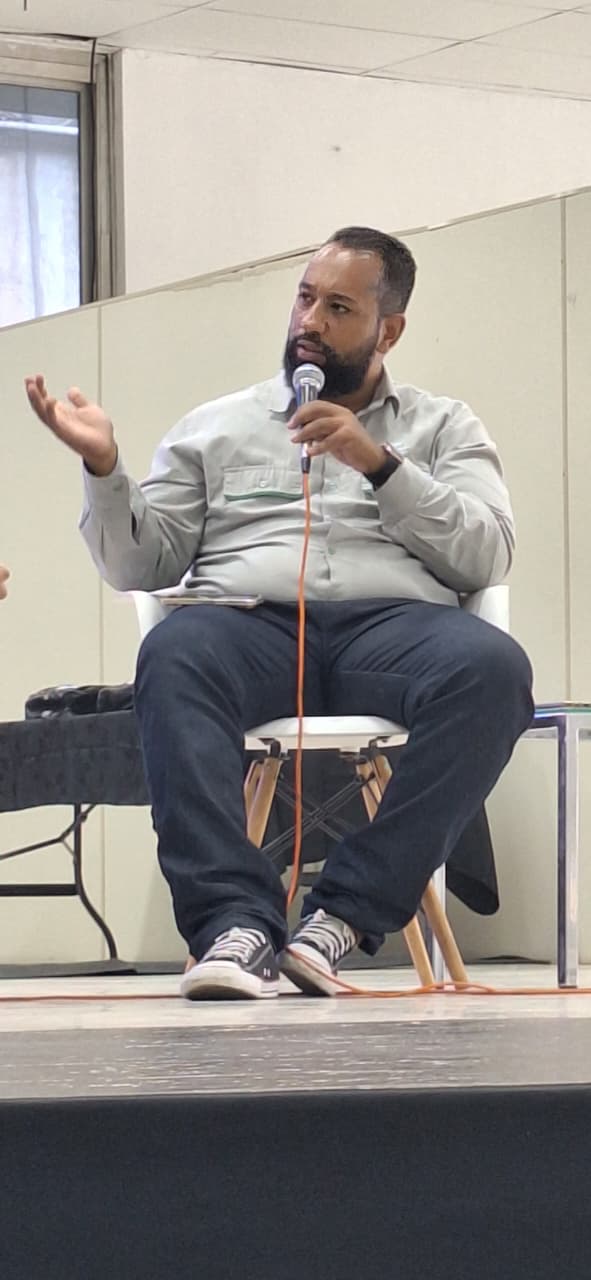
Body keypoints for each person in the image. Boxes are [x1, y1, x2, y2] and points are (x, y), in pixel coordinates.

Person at [25, 226, 533, 1001]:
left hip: (391, 631)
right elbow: (139, 567)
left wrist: (381, 465)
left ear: (388, 330)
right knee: (174, 654)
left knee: (493, 670)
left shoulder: (442, 427)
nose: (310, 323)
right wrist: (103, 468)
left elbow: (486, 555)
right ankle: (231, 924)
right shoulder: (214, 427)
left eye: (338, 308)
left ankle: (342, 916)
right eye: (304, 299)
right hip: (247, 627)